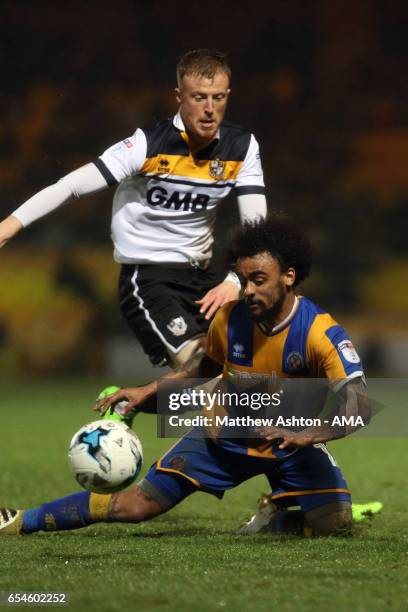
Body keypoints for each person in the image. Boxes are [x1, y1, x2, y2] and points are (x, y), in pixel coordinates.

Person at [0, 214, 379, 537]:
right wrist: (147, 390)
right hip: (223, 437)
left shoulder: (320, 333)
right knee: (136, 507)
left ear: (289, 277)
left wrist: (313, 433)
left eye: (259, 280)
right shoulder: (230, 320)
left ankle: (273, 519)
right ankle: (21, 519)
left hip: (290, 444)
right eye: (242, 280)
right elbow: (203, 369)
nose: (247, 290)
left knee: (336, 524)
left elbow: (358, 401)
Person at [0, 49, 266, 368]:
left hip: (206, 279)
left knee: (247, 369)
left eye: (218, 97)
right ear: (179, 96)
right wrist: (10, 224)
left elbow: (256, 228)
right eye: (199, 97)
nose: (210, 109)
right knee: (201, 366)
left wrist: (235, 281)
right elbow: (70, 186)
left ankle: (128, 406)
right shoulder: (146, 146)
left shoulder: (242, 147)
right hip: (149, 278)